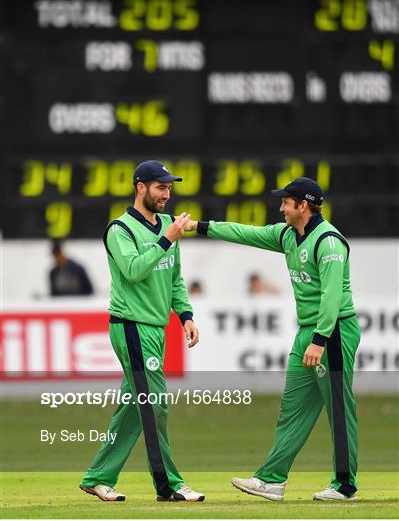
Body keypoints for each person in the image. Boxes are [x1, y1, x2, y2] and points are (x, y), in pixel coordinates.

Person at [185, 177, 360, 502]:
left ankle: (345, 485)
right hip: (308, 331)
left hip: (333, 331)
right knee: (291, 409)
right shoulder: (288, 236)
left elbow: (332, 297)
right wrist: (199, 226)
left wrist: (319, 340)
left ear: (302, 206)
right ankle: (272, 480)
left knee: (338, 407)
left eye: (285, 202)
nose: (280, 208)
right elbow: (245, 233)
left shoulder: (329, 243)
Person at [79, 160, 204, 503]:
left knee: (136, 405)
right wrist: (167, 239)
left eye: (169, 188)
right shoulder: (119, 230)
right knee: (155, 403)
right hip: (131, 327)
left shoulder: (167, 225)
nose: (167, 194)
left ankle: (98, 477)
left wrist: (186, 315)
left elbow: (174, 278)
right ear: (140, 187)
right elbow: (134, 270)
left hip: (155, 328)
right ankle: (170, 486)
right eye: (161, 187)